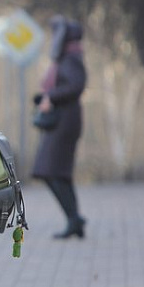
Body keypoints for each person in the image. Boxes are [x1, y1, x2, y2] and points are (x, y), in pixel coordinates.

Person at [32, 16, 87, 239]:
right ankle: (74, 219)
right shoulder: (69, 56)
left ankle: (74, 218)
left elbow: (76, 85)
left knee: (50, 171)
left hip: (65, 122)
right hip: (64, 120)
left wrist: (51, 96)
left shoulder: (71, 58)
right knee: (59, 173)